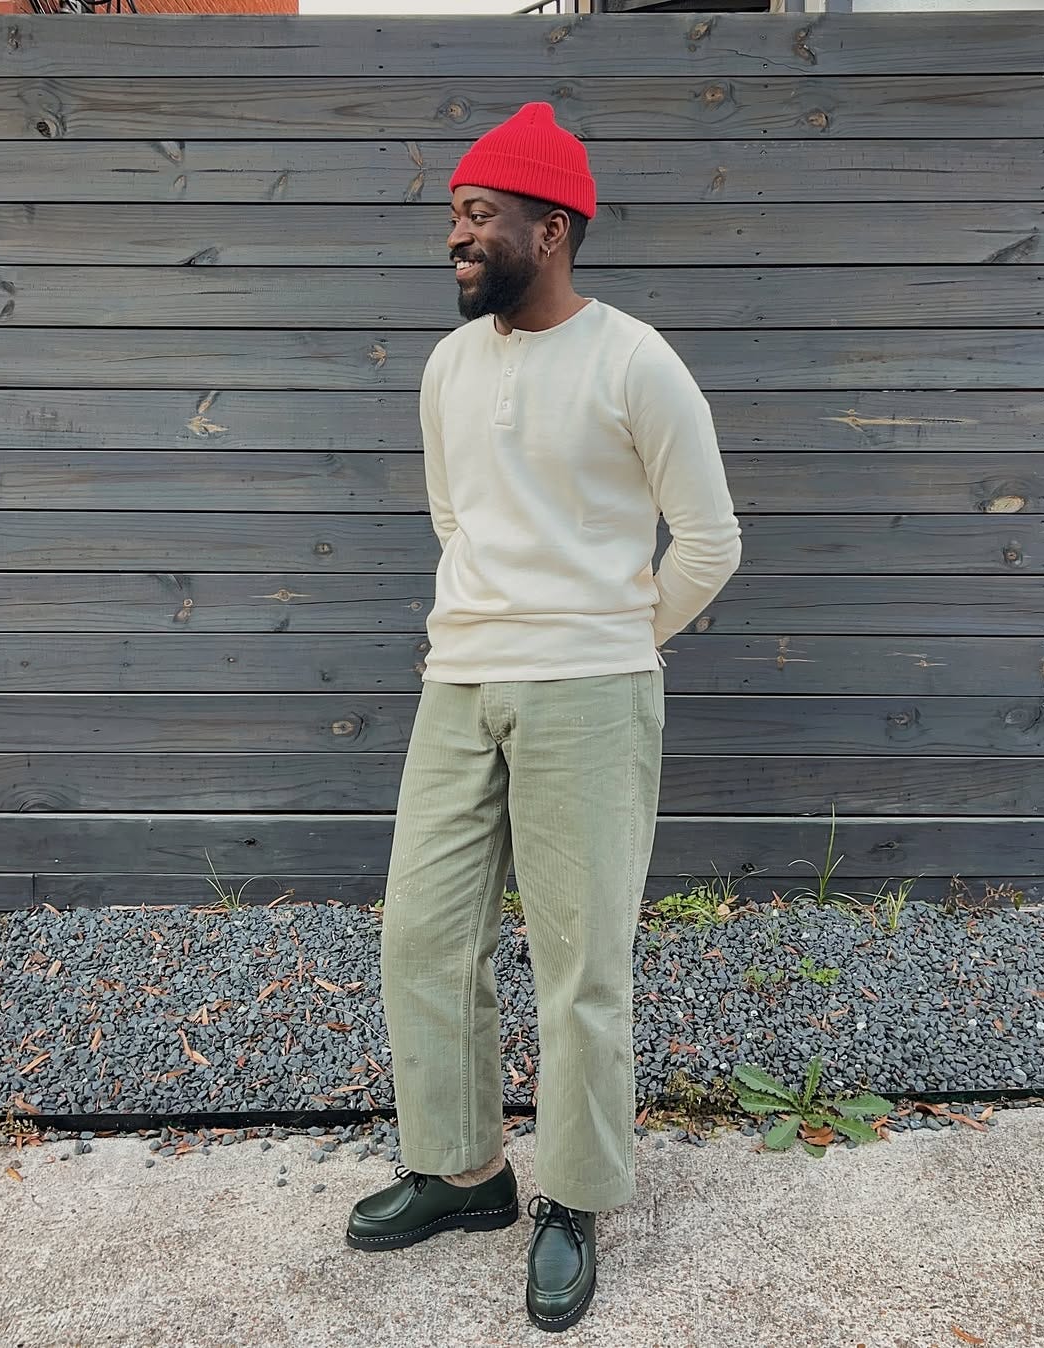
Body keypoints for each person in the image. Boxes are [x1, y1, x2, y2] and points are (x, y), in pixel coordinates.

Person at [346, 102, 742, 1333]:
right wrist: (492, 623)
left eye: (479, 218)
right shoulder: (450, 366)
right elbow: (456, 520)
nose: (457, 239)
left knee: (580, 966)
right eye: (456, 217)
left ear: (551, 228)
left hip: (591, 691)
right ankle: (464, 1173)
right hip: (458, 683)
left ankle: (572, 1197)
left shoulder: (635, 360)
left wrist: (615, 641)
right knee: (422, 932)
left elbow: (712, 543)